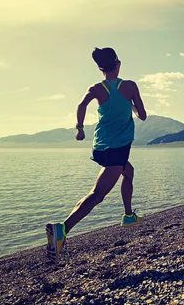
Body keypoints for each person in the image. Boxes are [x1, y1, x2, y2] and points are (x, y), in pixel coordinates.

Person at [45, 47, 147, 263]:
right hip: (118, 148)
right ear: (118, 64)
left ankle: (128, 216)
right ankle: (62, 229)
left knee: (128, 172)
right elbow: (143, 115)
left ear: (100, 68)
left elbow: (82, 105)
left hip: (100, 148)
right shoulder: (129, 86)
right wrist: (132, 107)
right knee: (97, 194)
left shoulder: (96, 88)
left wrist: (79, 129)